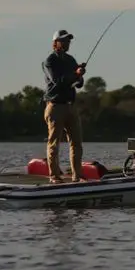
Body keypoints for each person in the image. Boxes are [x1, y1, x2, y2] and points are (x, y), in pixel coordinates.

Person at [42, 29, 87, 183]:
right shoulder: (50, 61)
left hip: (71, 106)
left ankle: (77, 176)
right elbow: (58, 81)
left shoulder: (70, 60)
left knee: (77, 143)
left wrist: (80, 76)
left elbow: (78, 84)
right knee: (54, 143)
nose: (67, 43)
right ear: (55, 43)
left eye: (68, 40)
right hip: (55, 107)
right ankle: (54, 176)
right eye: (64, 40)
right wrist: (75, 74)